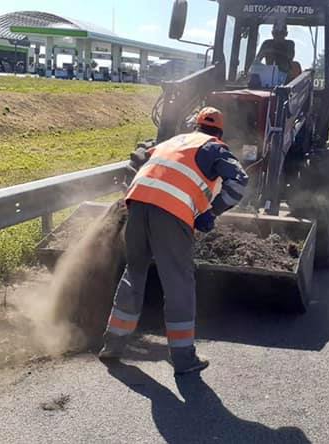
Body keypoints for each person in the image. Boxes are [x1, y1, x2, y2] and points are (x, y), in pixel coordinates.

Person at [99, 107, 248, 374]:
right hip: (171, 213)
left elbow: (140, 165)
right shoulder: (214, 148)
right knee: (178, 283)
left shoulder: (172, 141)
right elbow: (238, 181)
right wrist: (211, 213)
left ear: (195, 125)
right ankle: (183, 358)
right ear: (219, 132)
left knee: (133, 274)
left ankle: (113, 344)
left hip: (136, 205)